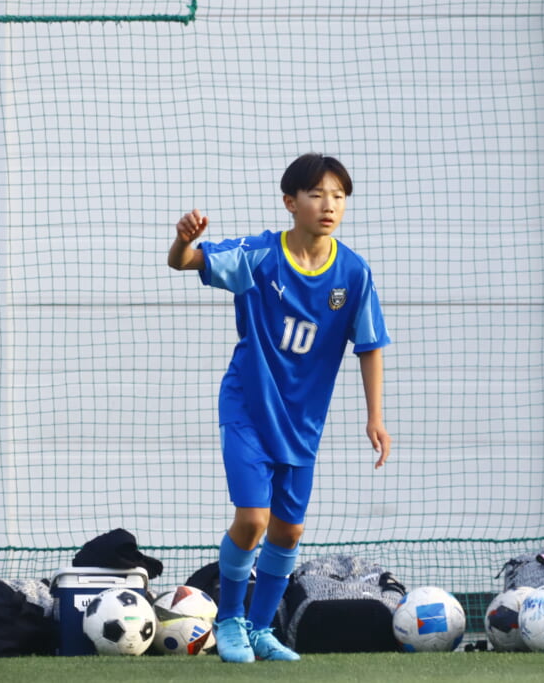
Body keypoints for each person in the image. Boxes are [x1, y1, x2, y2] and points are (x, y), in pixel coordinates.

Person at [167, 153, 392, 662]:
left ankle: (261, 629)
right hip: (248, 407)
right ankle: (229, 621)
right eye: (317, 194)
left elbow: (370, 345)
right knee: (253, 520)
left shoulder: (354, 273)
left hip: (302, 422)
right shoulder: (259, 255)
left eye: (338, 196)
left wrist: (375, 417)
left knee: (289, 530)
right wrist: (183, 240)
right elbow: (184, 262)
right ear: (291, 202)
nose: (329, 205)